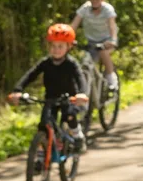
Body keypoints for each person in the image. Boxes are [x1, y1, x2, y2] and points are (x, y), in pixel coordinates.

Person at [8, 23, 90, 152]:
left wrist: (82, 93)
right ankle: (42, 153)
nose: (56, 49)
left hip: (69, 98)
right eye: (53, 46)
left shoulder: (71, 63)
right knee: (44, 125)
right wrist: (17, 90)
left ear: (68, 47)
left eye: (60, 46)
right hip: (50, 98)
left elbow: (80, 78)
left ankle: (77, 134)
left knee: (70, 115)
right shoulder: (45, 63)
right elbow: (30, 75)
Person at [70, 0, 119, 90]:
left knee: (103, 52)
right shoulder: (85, 8)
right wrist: (68, 38)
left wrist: (113, 40)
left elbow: (112, 26)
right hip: (91, 42)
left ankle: (111, 77)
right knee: (85, 62)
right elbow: (74, 25)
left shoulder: (108, 9)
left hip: (107, 40)